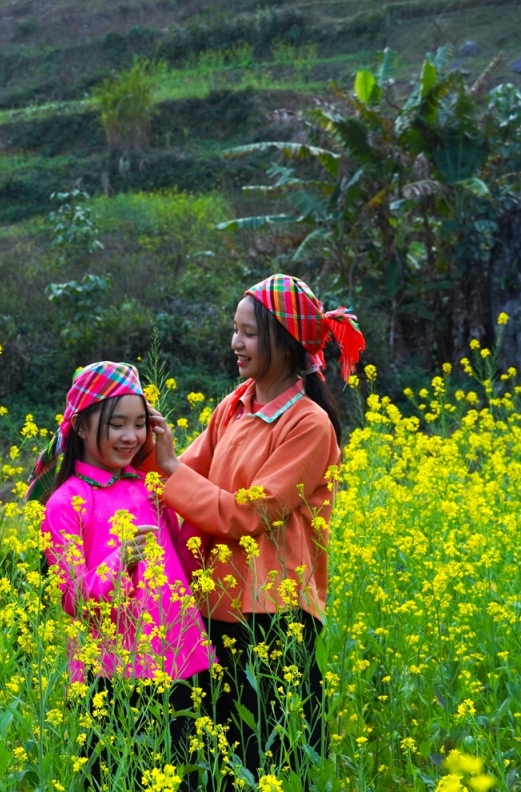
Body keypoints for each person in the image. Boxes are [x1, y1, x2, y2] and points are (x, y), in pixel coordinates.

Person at [145, 274, 365, 784]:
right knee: (218, 759)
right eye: (235, 330)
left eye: (247, 333)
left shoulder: (307, 424)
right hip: (214, 603)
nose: (235, 344)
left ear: (283, 342)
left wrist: (169, 471)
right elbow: (178, 473)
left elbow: (249, 514)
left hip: (272, 613)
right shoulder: (235, 405)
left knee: (273, 757)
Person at [29, 361, 212, 790]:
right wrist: (118, 561)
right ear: (80, 427)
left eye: (139, 425)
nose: (130, 438)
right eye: (116, 426)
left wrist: (171, 468)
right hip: (111, 676)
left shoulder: (150, 486)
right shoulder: (65, 502)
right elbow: (73, 598)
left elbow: (188, 561)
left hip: (181, 665)